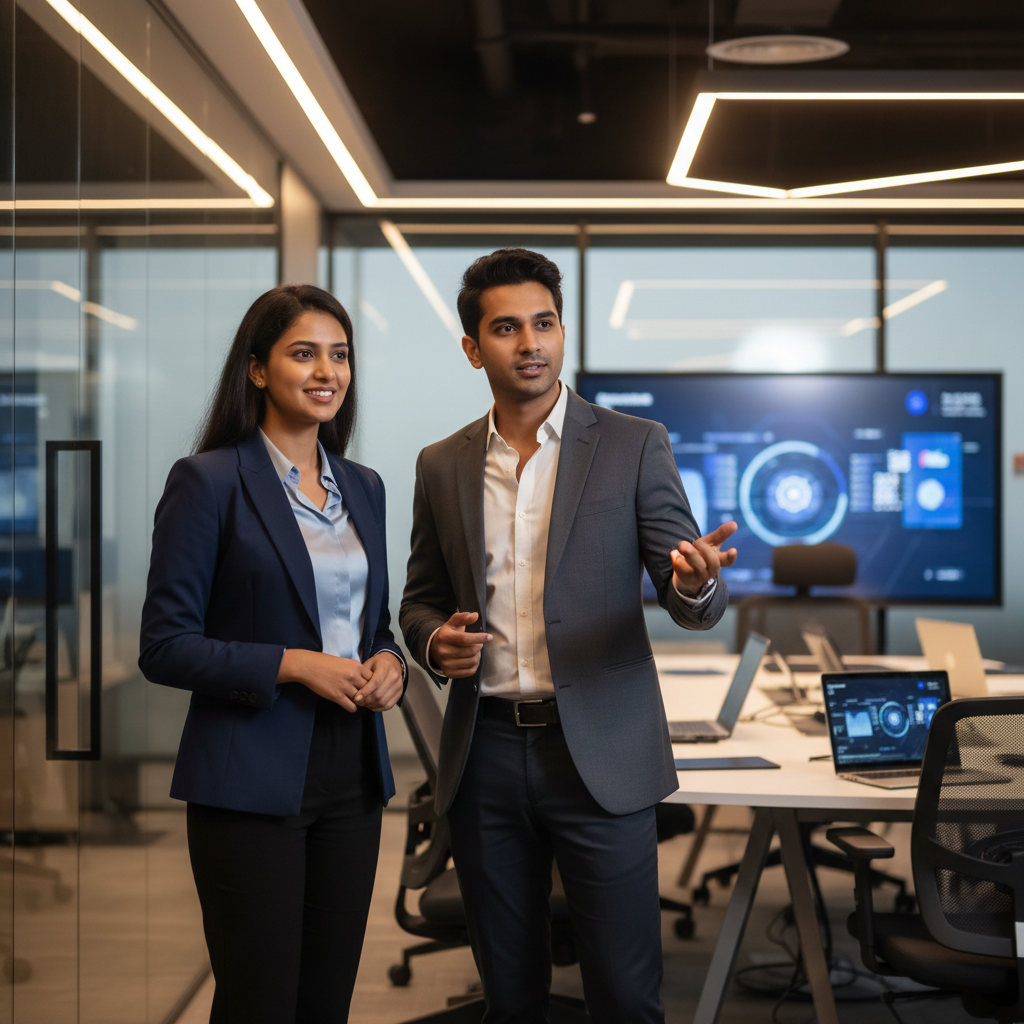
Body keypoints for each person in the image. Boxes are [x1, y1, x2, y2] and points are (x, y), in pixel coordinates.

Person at [400, 248, 738, 1024]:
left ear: (563, 331)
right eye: (508, 328)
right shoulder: (440, 465)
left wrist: (695, 583)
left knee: (623, 994)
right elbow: (419, 600)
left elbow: (692, 595)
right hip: (483, 752)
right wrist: (431, 643)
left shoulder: (632, 444)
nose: (531, 344)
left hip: (600, 755)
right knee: (509, 997)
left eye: (544, 323)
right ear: (472, 348)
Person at [139, 284, 405, 1024]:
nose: (327, 371)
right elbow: (165, 647)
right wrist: (292, 663)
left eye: (340, 355)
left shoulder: (364, 487)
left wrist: (391, 664)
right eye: (303, 353)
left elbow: (372, 625)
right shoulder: (209, 482)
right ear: (257, 370)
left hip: (352, 775)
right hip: (248, 777)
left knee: (325, 1002)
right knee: (259, 1002)